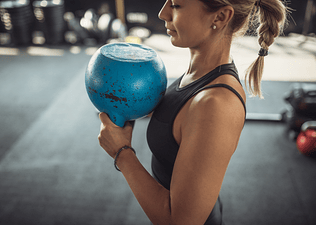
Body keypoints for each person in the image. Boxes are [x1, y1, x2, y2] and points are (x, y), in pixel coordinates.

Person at [98, 0, 288, 224]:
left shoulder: (216, 104)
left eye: (176, 5)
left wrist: (122, 152)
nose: (163, 13)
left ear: (220, 17)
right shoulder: (199, 73)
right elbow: (181, 125)